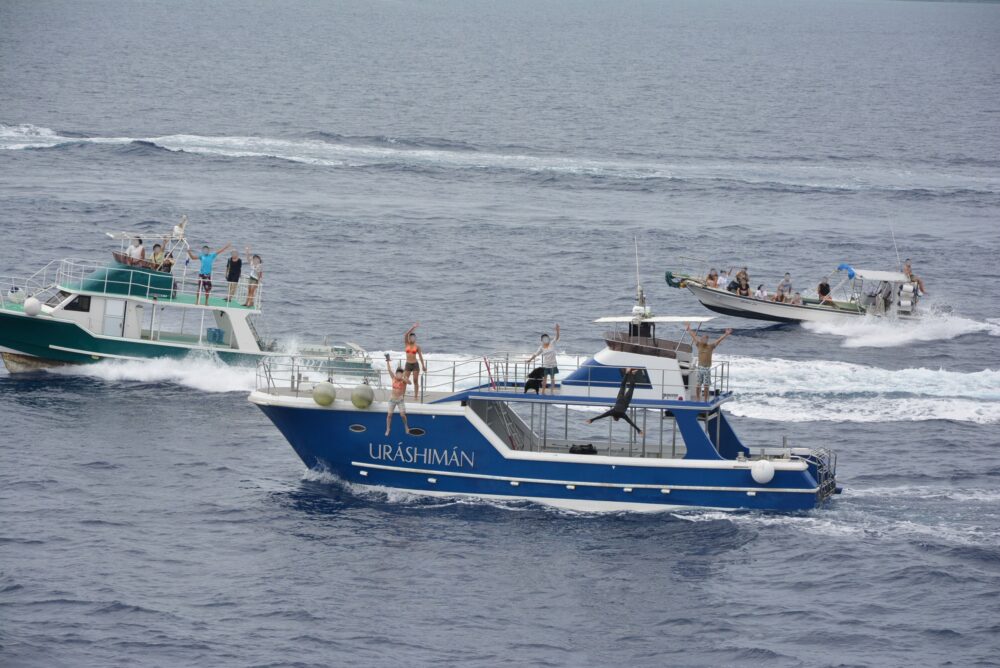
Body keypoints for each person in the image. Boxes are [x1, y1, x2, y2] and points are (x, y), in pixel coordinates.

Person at [585, 368, 643, 435]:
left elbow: (630, 422)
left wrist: (639, 430)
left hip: (626, 400)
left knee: (631, 387)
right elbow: (601, 416)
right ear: (613, 417)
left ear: (618, 418)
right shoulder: (612, 412)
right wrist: (592, 420)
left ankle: (632, 374)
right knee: (622, 386)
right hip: (620, 399)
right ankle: (627, 373)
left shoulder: (623, 415)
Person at [685, 322, 733, 402]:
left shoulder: (710, 346)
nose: (705, 340)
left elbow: (719, 340)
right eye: (704, 338)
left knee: (706, 386)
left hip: (707, 369)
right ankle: (697, 398)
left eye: (706, 339)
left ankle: (706, 399)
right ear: (701, 339)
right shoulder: (699, 344)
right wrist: (689, 329)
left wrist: (726, 334)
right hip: (700, 368)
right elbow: (693, 336)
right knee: (698, 385)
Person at [187, 241, 231, 306]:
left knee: (207, 289)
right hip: (201, 274)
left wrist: (226, 247)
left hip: (208, 275)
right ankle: (197, 301)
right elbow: (193, 258)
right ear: (203, 251)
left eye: (207, 249)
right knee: (199, 288)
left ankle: (206, 302)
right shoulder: (201, 256)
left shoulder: (212, 255)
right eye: (204, 250)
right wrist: (189, 252)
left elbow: (219, 251)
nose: (206, 251)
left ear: (209, 250)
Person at [527, 324, 561, 395]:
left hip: (553, 364)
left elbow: (557, 338)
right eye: (544, 338)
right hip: (546, 365)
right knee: (544, 379)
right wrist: (530, 360)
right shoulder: (541, 347)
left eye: (547, 338)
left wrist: (557, 330)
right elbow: (536, 354)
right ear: (542, 340)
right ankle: (543, 391)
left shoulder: (552, 343)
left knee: (552, 378)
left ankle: (552, 392)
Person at [384, 353, 411, 436]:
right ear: (396, 374)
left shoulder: (403, 380)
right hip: (392, 399)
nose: (398, 374)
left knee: (402, 415)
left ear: (402, 374)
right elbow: (389, 370)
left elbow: (410, 383)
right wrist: (388, 361)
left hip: (400, 400)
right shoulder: (393, 378)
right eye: (397, 373)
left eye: (400, 373)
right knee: (389, 415)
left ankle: (406, 426)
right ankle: (388, 428)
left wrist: (404, 377)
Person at [403, 322, 427, 400]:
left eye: (414, 337)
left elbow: (420, 356)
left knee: (415, 380)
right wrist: (413, 327)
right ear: (409, 338)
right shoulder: (407, 344)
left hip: (415, 364)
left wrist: (423, 366)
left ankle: (416, 396)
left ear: (415, 338)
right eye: (411, 337)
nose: (412, 338)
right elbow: (406, 334)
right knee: (405, 380)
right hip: (408, 364)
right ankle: (402, 396)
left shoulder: (417, 346)